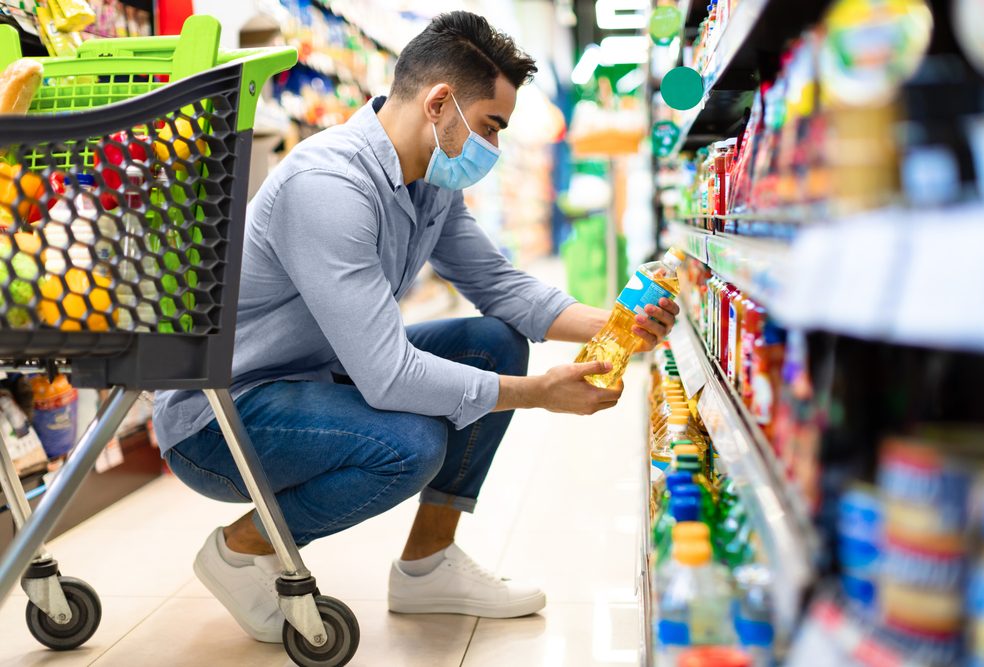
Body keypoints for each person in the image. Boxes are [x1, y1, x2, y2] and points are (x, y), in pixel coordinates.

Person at [152, 10, 678, 643]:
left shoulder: (427, 182)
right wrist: (539, 395)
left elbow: (500, 286)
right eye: (491, 126)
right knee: (410, 445)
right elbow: (388, 376)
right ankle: (242, 550)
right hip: (224, 414)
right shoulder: (329, 185)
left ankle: (429, 565)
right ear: (439, 103)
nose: (494, 147)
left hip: (314, 378)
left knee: (493, 343)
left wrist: (620, 323)